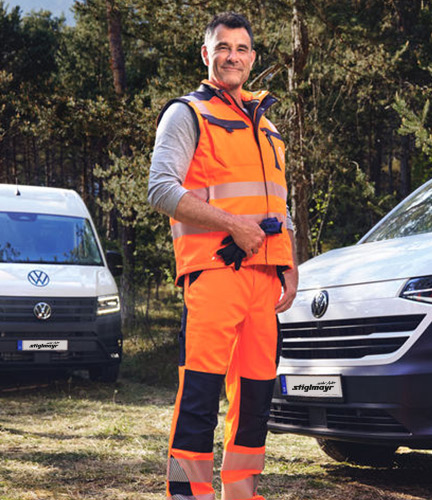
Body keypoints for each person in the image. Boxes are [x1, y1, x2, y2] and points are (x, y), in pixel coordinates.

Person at [144, 11, 298, 500]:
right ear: (206, 54)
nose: (233, 56)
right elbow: (161, 189)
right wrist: (232, 225)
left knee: (255, 397)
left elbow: (280, 204)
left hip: (264, 283)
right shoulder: (187, 112)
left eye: (242, 49)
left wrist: (289, 265)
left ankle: (241, 493)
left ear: (252, 58)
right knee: (202, 395)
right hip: (214, 273)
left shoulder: (268, 127)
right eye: (223, 47)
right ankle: (189, 495)